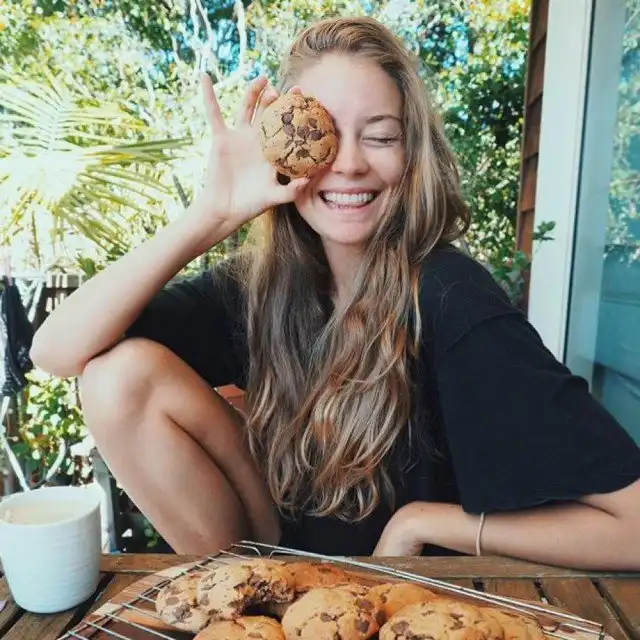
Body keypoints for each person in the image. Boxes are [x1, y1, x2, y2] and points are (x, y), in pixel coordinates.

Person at [31, 17, 640, 569]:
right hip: (275, 564)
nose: (347, 164)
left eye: (380, 136)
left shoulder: (451, 298)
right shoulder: (263, 283)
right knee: (116, 376)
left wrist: (424, 522)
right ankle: (239, 611)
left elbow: (633, 526)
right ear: (282, 151)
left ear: (412, 154)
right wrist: (210, 215)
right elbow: (55, 352)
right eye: (320, 133)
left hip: (397, 602)